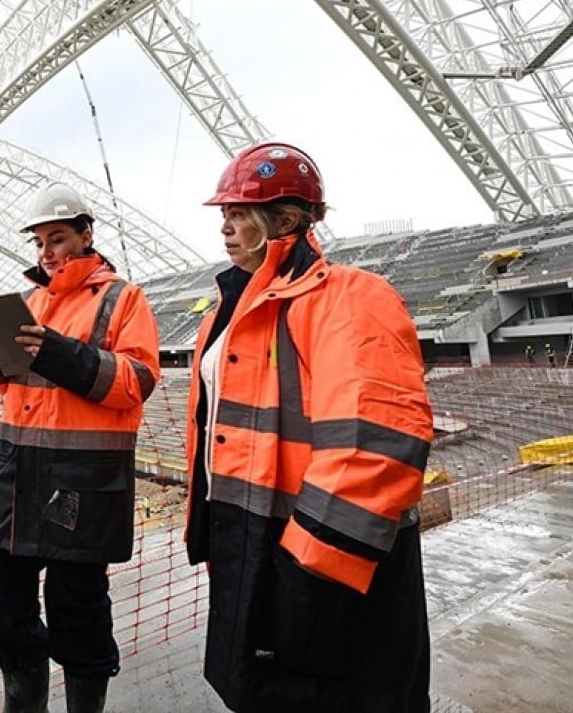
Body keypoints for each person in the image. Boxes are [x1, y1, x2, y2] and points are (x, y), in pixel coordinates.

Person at [184, 143, 433, 712]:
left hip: (324, 564)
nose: (224, 226)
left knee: (340, 694)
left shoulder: (350, 298)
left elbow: (377, 444)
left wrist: (303, 572)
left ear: (286, 221)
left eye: (238, 213)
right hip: (253, 546)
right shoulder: (223, 314)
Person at [0, 182, 161, 713]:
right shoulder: (27, 302)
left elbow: (136, 381)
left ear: (86, 236)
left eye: (58, 238)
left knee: (78, 611)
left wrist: (57, 351)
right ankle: (26, 702)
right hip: (19, 476)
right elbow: (9, 386)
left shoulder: (122, 298)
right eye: (40, 241)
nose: (47, 252)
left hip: (81, 484)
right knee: (0, 604)